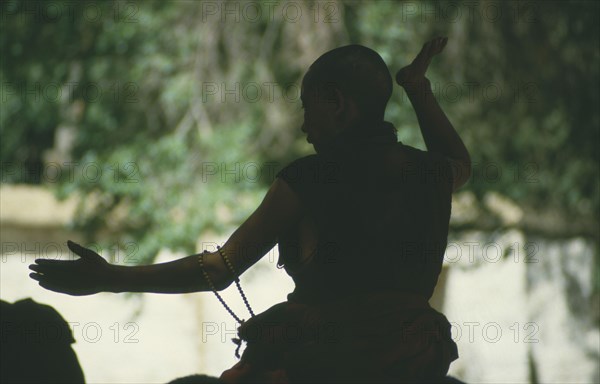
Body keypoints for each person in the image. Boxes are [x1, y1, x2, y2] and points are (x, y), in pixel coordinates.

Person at [29, 37, 471, 383]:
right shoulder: (432, 173)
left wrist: (111, 277)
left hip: (326, 364)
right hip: (412, 364)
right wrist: (417, 88)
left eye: (308, 106)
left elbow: (218, 270)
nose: (304, 126)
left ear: (336, 103)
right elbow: (461, 164)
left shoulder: (310, 178)